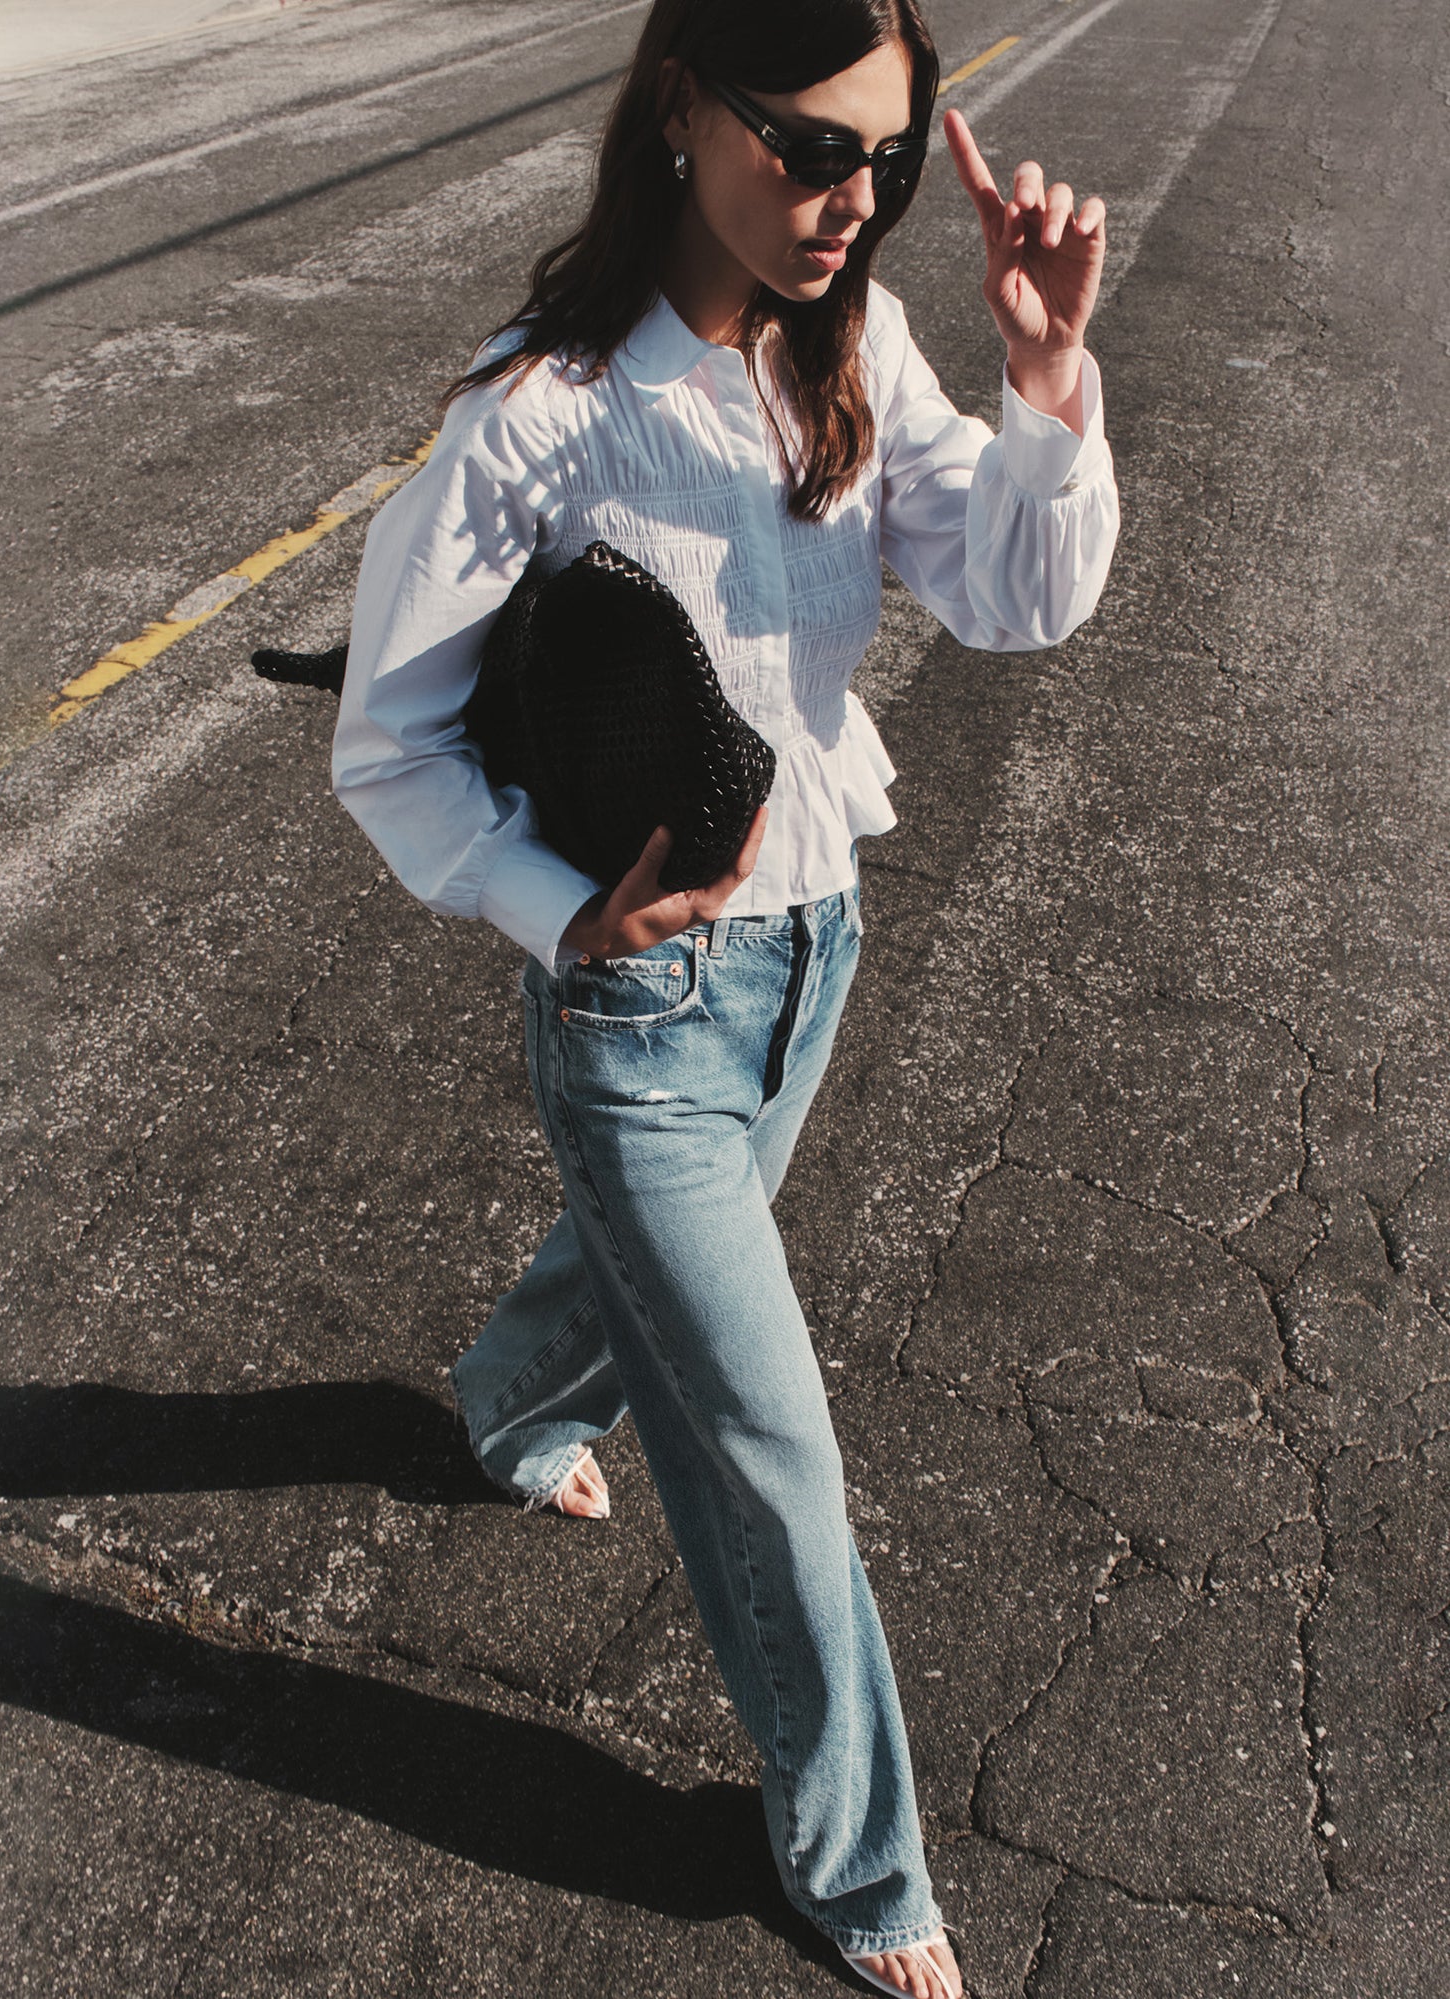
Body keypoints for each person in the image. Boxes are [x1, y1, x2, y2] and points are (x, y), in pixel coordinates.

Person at [331, 0, 1117, 1991]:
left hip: (813, 954)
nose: (851, 195)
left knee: (654, 1294)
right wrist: (544, 906)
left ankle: (509, 1400)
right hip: (642, 1011)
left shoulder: (862, 342)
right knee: (768, 1443)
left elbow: (1017, 598)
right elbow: (389, 741)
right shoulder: (545, 407)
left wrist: (1045, 376)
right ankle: (862, 1867)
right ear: (683, 104)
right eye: (804, 142)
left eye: (887, 147)